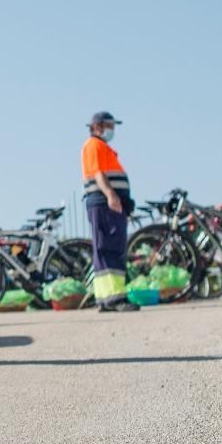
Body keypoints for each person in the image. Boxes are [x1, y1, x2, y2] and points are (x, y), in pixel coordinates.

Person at [82, 112, 138, 313]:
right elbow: (98, 173)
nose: (112, 130)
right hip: (104, 203)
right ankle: (114, 298)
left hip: (109, 204)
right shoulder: (93, 145)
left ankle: (107, 298)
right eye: (109, 125)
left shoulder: (103, 147)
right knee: (109, 248)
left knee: (109, 248)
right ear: (97, 126)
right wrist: (111, 195)